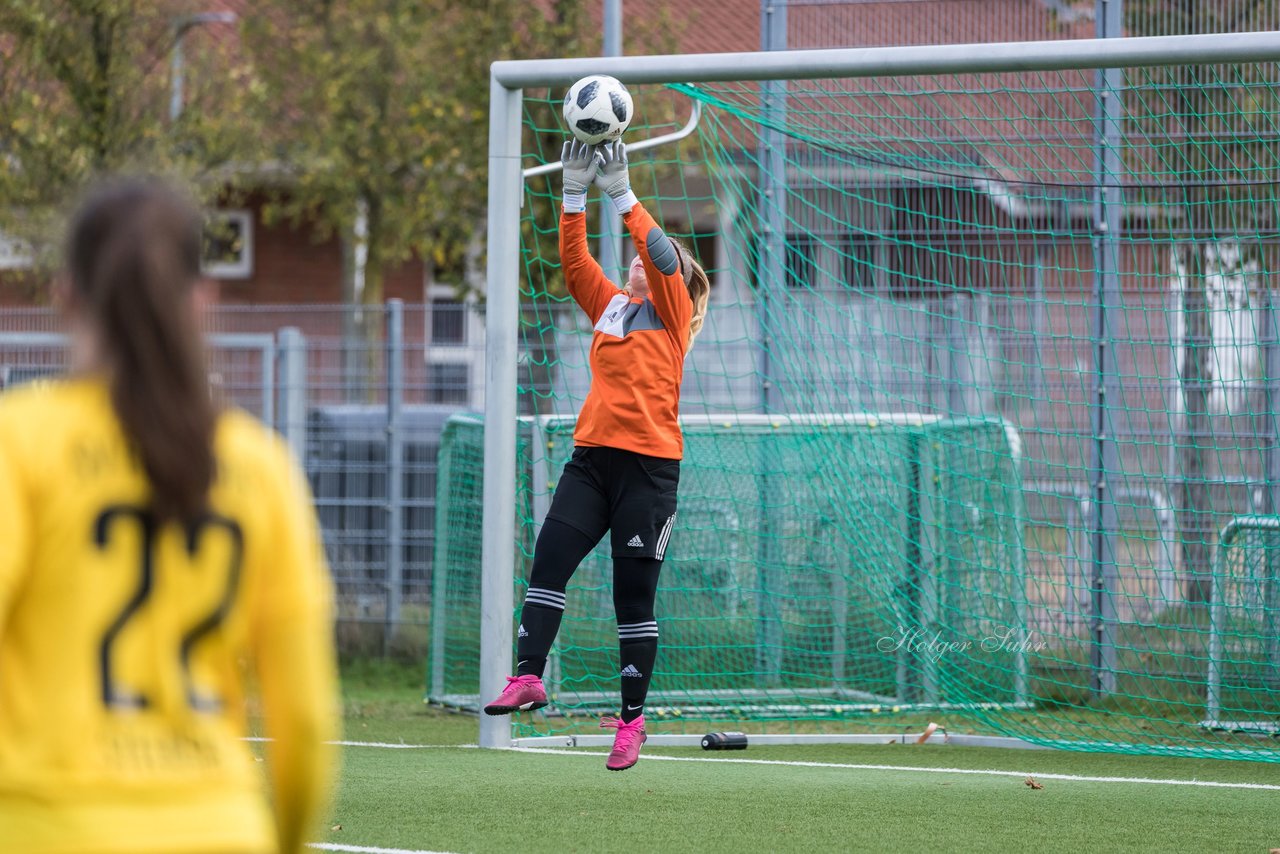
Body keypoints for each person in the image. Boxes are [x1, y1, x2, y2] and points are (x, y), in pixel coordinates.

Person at [0, 178, 339, 853]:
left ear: (65, 296)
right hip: (221, 827)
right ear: (201, 300)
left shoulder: (20, 442)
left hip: (49, 825)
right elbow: (301, 717)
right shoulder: (260, 465)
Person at [484, 139, 711, 771]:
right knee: (549, 559)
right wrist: (576, 189)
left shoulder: (671, 312)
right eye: (637, 259)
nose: (639, 262)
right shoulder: (612, 307)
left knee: (630, 598)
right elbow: (575, 257)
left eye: (648, 259)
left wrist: (625, 194)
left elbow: (663, 255)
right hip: (590, 461)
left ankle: (632, 722)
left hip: (648, 470)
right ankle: (529, 676)